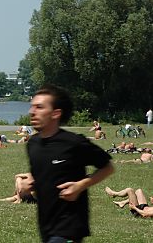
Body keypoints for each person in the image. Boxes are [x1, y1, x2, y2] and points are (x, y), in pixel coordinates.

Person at [27, 84, 114, 242]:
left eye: (39, 107)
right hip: (46, 226)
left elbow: (107, 167)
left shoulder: (74, 143)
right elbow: (43, 174)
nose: (32, 112)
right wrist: (34, 182)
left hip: (70, 226)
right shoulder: (33, 144)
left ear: (56, 113)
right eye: (32, 106)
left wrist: (79, 186)